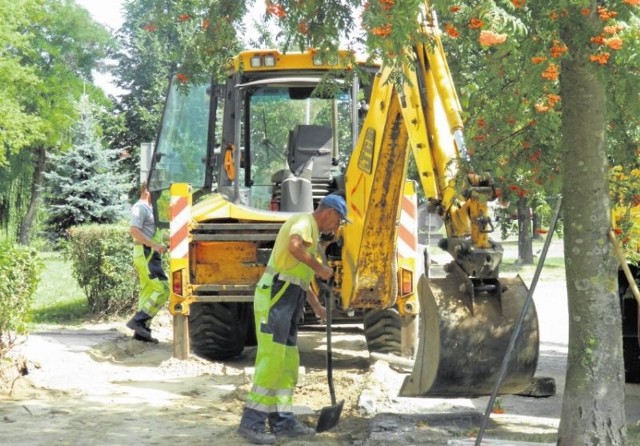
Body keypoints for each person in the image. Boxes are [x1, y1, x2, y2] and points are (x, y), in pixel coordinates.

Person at [237, 193, 349, 444]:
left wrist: (316, 305)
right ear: (329, 212)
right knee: (272, 361)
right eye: (338, 220)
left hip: (288, 299)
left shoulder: (313, 235)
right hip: (275, 298)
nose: (336, 226)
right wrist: (321, 268)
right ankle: (251, 423)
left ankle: (283, 421)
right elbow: (294, 247)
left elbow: (300, 277)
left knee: (287, 363)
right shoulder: (302, 222)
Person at [126, 182, 169, 343]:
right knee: (163, 288)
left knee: (147, 292)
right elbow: (134, 230)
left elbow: (157, 233)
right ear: (148, 190)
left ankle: (141, 333)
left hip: (150, 254)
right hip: (146, 254)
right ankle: (138, 321)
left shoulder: (151, 209)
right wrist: (154, 245)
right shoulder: (140, 208)